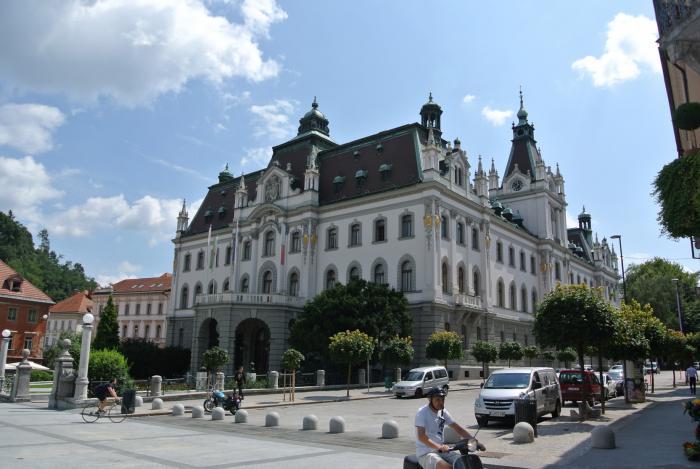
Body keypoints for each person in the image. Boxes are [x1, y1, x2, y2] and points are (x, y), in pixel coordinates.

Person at [415, 387, 482, 469]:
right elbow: (421, 436)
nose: (441, 402)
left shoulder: (443, 412)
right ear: (430, 400)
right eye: (437, 400)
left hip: (442, 450)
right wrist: (439, 447)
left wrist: (474, 441)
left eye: (442, 399)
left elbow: (458, 428)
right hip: (426, 453)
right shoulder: (422, 412)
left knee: (463, 462)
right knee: (447, 468)